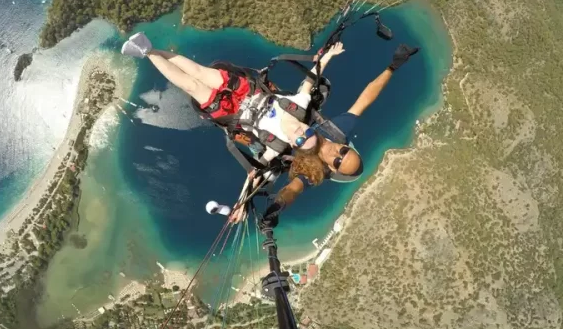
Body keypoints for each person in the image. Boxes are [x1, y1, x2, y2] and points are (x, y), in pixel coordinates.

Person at [231, 43, 419, 226]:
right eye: (344, 152)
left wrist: (278, 206)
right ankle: (270, 96)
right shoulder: (337, 133)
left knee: (262, 169)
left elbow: (293, 189)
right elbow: (366, 98)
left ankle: (241, 131)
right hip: (292, 122)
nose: (337, 154)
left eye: (338, 161)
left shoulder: (315, 171)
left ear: (332, 169)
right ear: (346, 146)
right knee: (304, 96)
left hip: (275, 144)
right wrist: (393, 66)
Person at [121, 32, 344, 162]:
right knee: (198, 72)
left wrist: (241, 204)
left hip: (232, 112)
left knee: (190, 85)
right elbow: (310, 80)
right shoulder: (298, 108)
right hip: (249, 90)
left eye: (299, 141)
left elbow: (258, 173)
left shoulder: (277, 146)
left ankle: (146, 52)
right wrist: (329, 57)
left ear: (293, 145)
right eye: (308, 133)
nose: (300, 133)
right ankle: (152, 49)